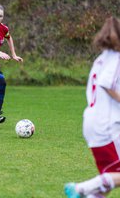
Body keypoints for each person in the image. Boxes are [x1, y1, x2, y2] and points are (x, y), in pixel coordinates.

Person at [64, 16, 120, 198]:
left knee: (108, 180)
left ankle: (89, 192)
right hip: (107, 125)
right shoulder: (116, 58)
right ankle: (81, 188)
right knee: (113, 176)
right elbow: (107, 84)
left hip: (94, 122)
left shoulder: (101, 59)